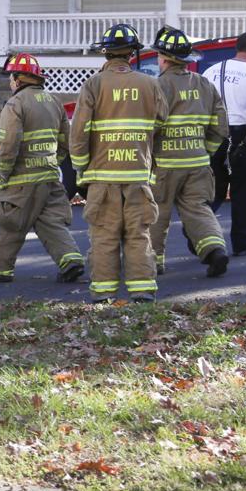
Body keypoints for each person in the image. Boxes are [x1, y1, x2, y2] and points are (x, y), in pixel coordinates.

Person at [69, 23, 168, 303]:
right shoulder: (150, 84)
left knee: (104, 235)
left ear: (106, 54)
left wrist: (80, 167)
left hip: (102, 178)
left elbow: (79, 131)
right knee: (138, 233)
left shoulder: (94, 84)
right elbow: (160, 120)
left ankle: (103, 295)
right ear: (132, 54)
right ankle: (142, 291)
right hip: (138, 175)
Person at [0, 53, 84, 284]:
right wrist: (52, 160)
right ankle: (70, 260)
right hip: (51, 177)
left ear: (19, 78)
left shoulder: (15, 104)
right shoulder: (53, 101)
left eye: (11, 77)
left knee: (9, 222)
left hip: (22, 180)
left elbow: (8, 146)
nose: (10, 82)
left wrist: (3, 177)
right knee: (50, 221)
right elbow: (66, 141)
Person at [148, 26, 228, 279]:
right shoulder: (205, 85)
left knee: (156, 212)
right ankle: (214, 249)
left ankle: (154, 263)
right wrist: (206, 150)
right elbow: (220, 126)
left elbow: (150, 127)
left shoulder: (157, 86)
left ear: (163, 59)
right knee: (198, 208)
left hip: (165, 164)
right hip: (198, 161)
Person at [203, 31, 246, 256]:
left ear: (237, 47)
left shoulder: (211, 71)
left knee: (214, 189)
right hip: (242, 133)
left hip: (214, 133)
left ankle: (198, 235)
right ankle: (242, 244)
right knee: (243, 191)